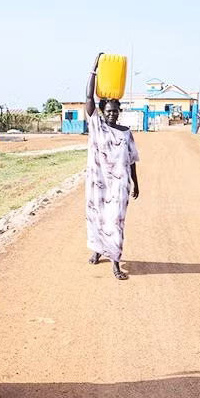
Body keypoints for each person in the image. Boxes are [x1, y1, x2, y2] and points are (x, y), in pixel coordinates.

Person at [85, 53, 140, 280]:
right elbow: (88, 97)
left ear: (120, 111)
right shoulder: (97, 125)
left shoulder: (126, 132)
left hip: (119, 184)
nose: (112, 114)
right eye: (108, 111)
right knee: (97, 216)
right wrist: (94, 68)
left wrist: (136, 183)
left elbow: (132, 159)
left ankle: (115, 262)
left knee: (115, 220)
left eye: (115, 111)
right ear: (102, 111)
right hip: (98, 182)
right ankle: (98, 250)